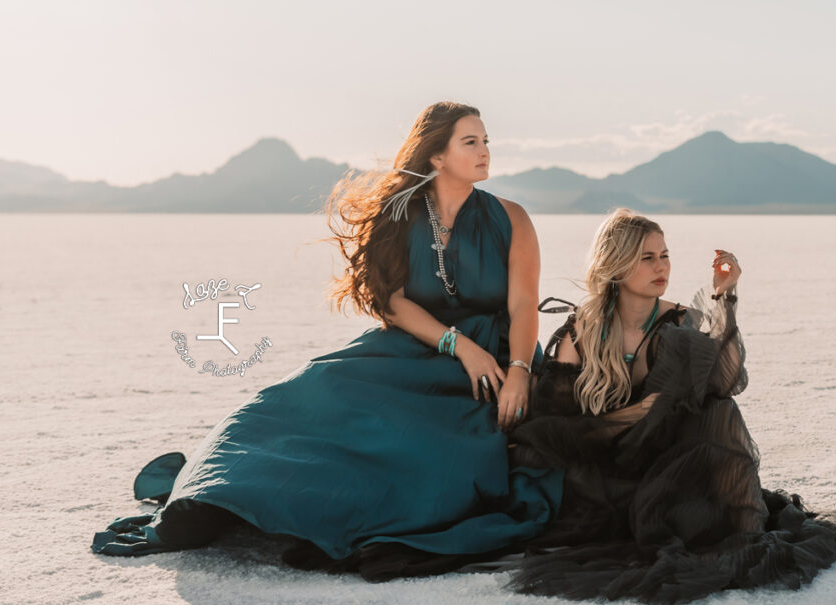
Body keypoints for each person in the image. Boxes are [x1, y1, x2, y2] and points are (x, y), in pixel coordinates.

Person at [92, 101, 563, 562]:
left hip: (497, 357)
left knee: (436, 455)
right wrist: (456, 344)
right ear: (437, 155)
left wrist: (519, 370)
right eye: (470, 141)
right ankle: (217, 494)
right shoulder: (399, 215)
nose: (484, 151)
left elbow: (522, 303)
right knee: (294, 401)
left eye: (486, 141)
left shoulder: (510, 217)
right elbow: (393, 302)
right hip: (417, 347)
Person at [504, 208, 836, 605]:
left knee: (719, 413)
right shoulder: (582, 330)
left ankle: (711, 522)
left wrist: (724, 296)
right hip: (604, 469)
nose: (661, 267)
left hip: (669, 469)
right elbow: (555, 417)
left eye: (664, 255)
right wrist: (627, 420)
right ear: (615, 264)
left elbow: (725, 381)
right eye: (647, 258)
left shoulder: (678, 322)